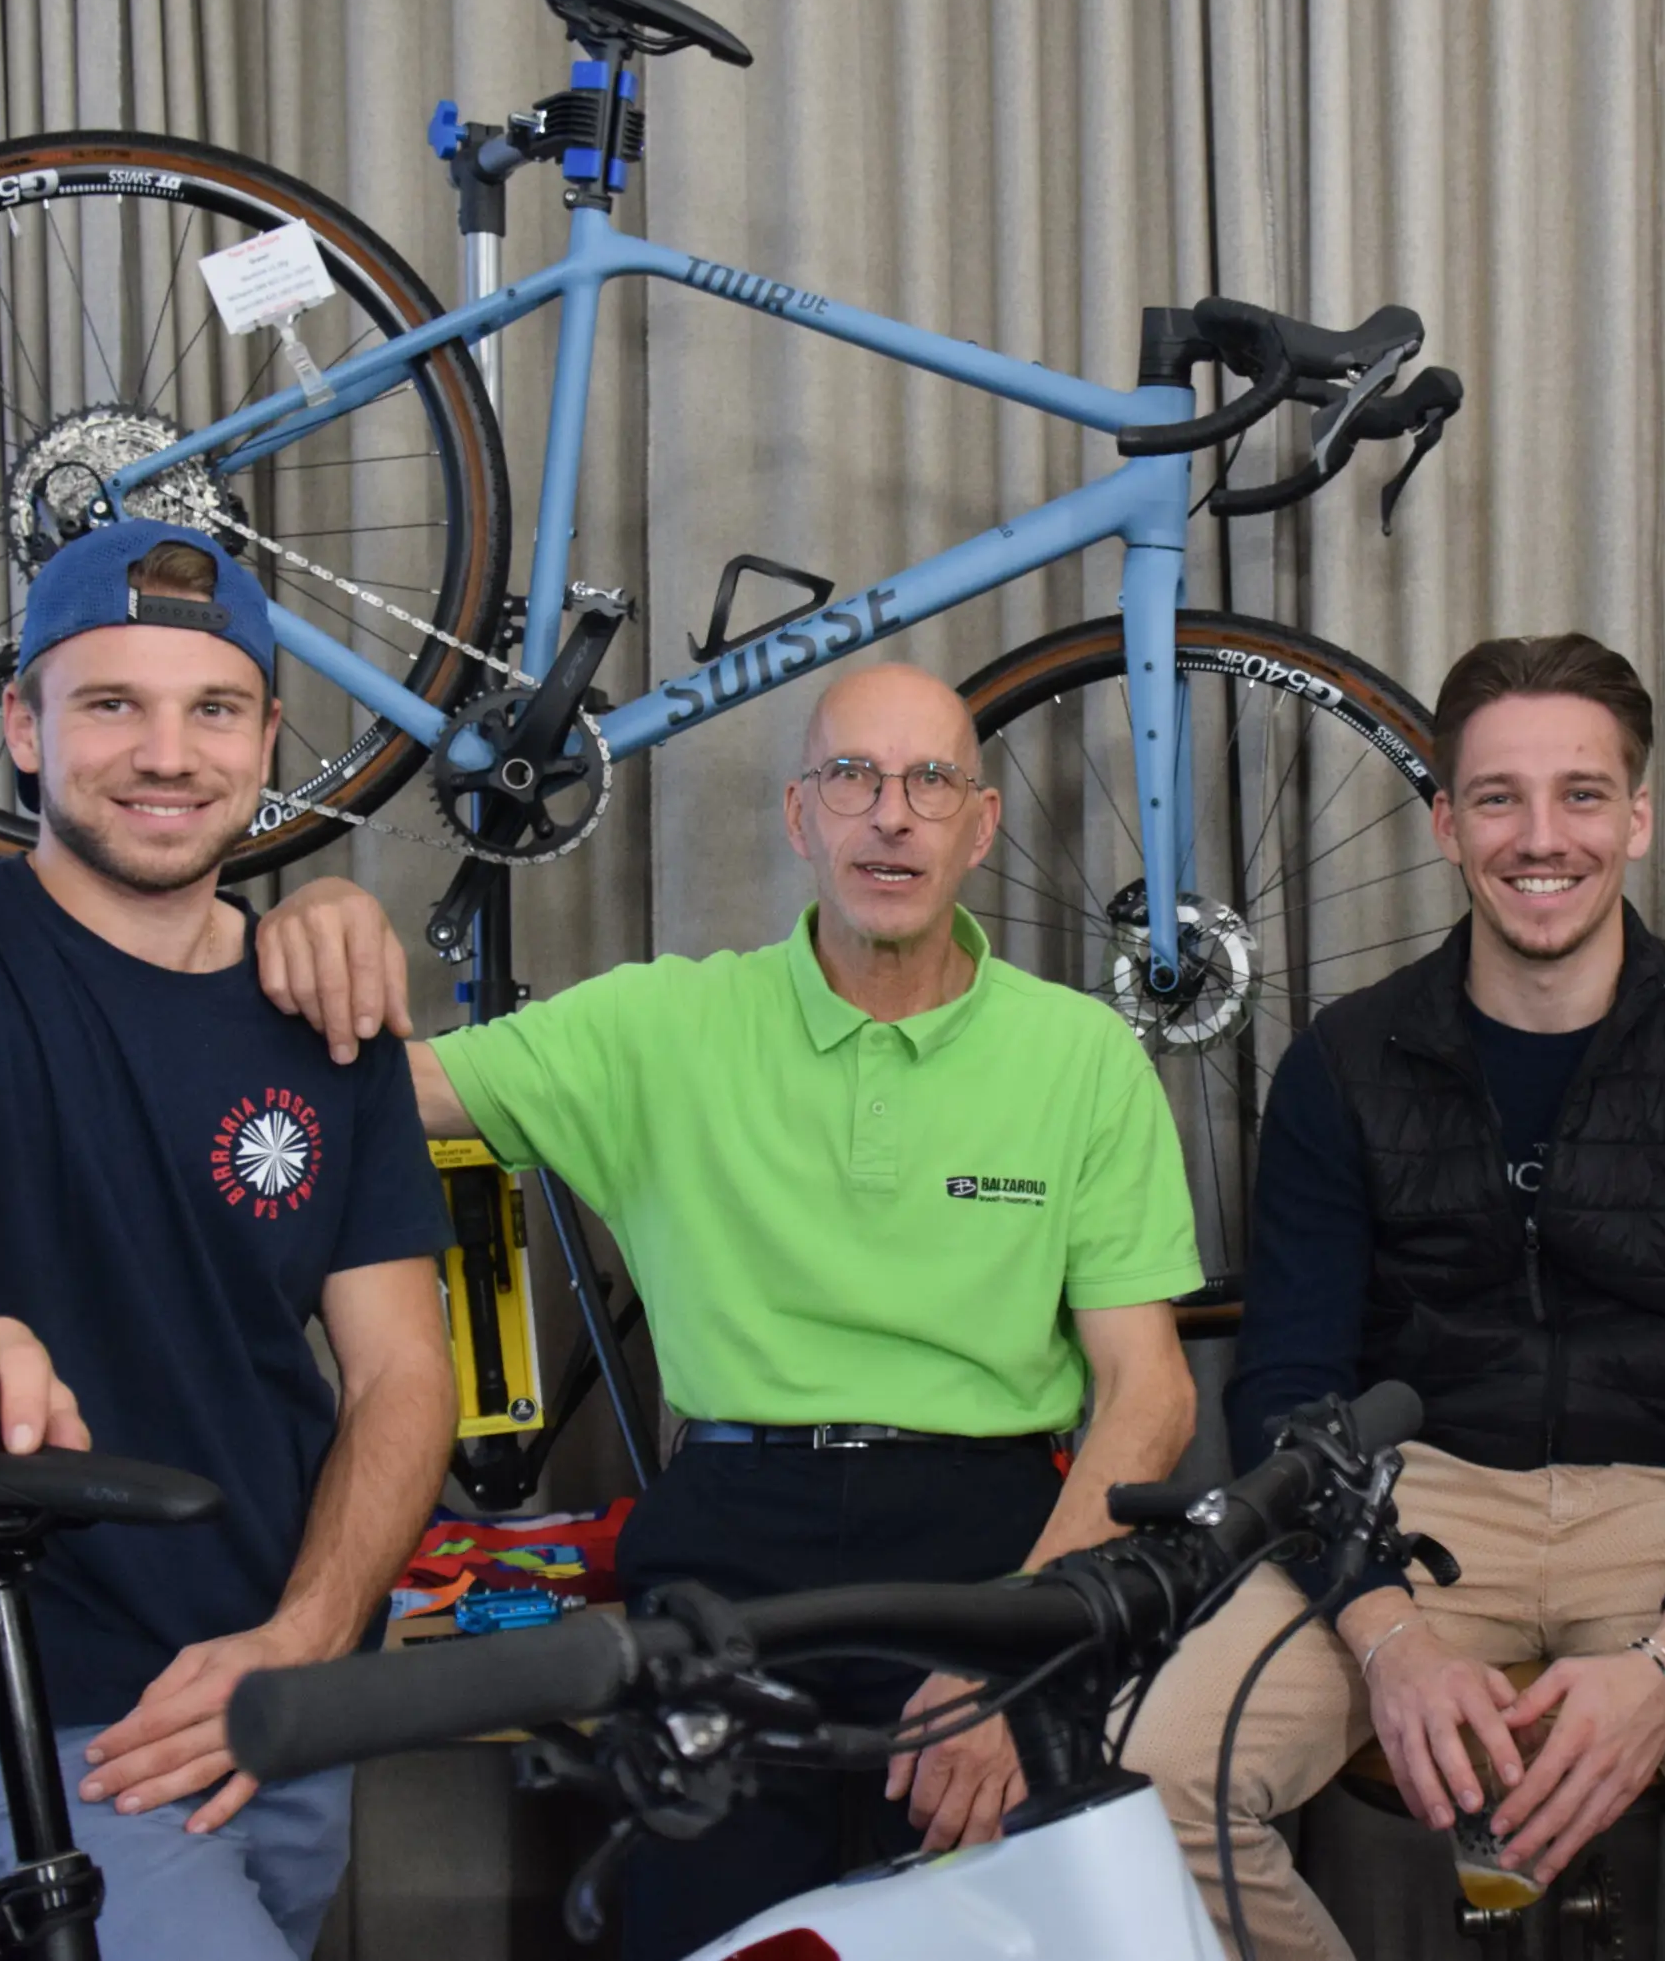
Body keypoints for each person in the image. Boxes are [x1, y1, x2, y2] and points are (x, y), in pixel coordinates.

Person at [255, 659, 1203, 1957]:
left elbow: (1149, 1393)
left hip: (991, 1558)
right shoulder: (667, 1024)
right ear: (800, 816)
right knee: (711, 1931)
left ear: (981, 825)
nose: (893, 814)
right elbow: (373, 1098)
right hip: (731, 1555)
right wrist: (284, 930)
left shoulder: (1081, 1055)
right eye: (853, 777)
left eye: (931, 780)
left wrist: (1018, 1658)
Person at [1124, 634, 1665, 1961]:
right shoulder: (1345, 1061)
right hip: (1408, 1501)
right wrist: (1386, 1632)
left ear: (1636, 816)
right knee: (1145, 1795)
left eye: (1580, 793)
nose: (1540, 835)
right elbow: (1286, 1387)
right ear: (1448, 823)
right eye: (1499, 797)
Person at [0, 522, 458, 1961]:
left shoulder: (331, 1030)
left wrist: (305, 1639)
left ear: (267, 736)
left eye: (211, 709)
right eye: (110, 704)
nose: (166, 752)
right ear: (24, 724)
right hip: (37, 1702)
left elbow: (403, 1377)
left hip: (276, 1696)